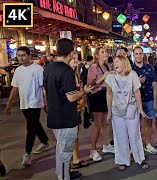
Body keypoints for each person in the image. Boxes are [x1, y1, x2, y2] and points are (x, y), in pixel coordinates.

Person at [43, 38, 94, 180]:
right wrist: (84, 91)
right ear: (71, 53)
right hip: (65, 118)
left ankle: (63, 173)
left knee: (61, 150)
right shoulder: (66, 71)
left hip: (54, 115)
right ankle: (64, 177)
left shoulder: (48, 68)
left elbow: (45, 91)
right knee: (65, 152)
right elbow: (71, 97)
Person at [5, 46, 49, 166]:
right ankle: (45, 142)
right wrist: (9, 104)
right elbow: (15, 88)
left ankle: (27, 153)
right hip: (24, 103)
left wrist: (46, 103)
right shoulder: (18, 70)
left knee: (30, 127)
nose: (20, 58)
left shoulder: (38, 69)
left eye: (23, 55)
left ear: (29, 56)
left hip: (35, 102)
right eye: (18, 55)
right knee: (35, 124)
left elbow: (43, 87)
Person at [106, 55, 149, 171]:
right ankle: (122, 160)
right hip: (116, 111)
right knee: (120, 136)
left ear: (124, 63)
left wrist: (140, 109)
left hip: (131, 109)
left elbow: (137, 92)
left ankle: (140, 158)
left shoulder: (132, 75)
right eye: (114, 62)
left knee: (134, 134)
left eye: (117, 61)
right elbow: (109, 94)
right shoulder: (110, 77)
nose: (115, 64)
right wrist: (109, 112)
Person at [87, 47, 114, 162]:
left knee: (106, 122)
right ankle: (93, 150)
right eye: (102, 52)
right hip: (96, 96)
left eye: (106, 52)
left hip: (106, 95)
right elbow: (90, 85)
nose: (105, 54)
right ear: (97, 55)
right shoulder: (94, 67)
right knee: (97, 124)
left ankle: (106, 145)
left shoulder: (106, 66)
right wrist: (104, 77)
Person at [132, 46, 157, 155]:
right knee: (135, 124)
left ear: (143, 55)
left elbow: (154, 84)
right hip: (133, 101)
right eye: (136, 54)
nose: (138, 56)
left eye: (140, 53)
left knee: (148, 123)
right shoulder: (130, 69)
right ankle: (137, 145)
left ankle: (148, 144)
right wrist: (137, 81)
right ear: (133, 55)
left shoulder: (149, 67)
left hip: (148, 99)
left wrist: (155, 99)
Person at [69, 56, 90, 170]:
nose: (76, 61)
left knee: (75, 134)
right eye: (73, 59)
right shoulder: (68, 75)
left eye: (76, 58)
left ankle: (75, 158)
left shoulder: (76, 74)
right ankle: (71, 163)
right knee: (71, 135)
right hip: (71, 107)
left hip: (77, 106)